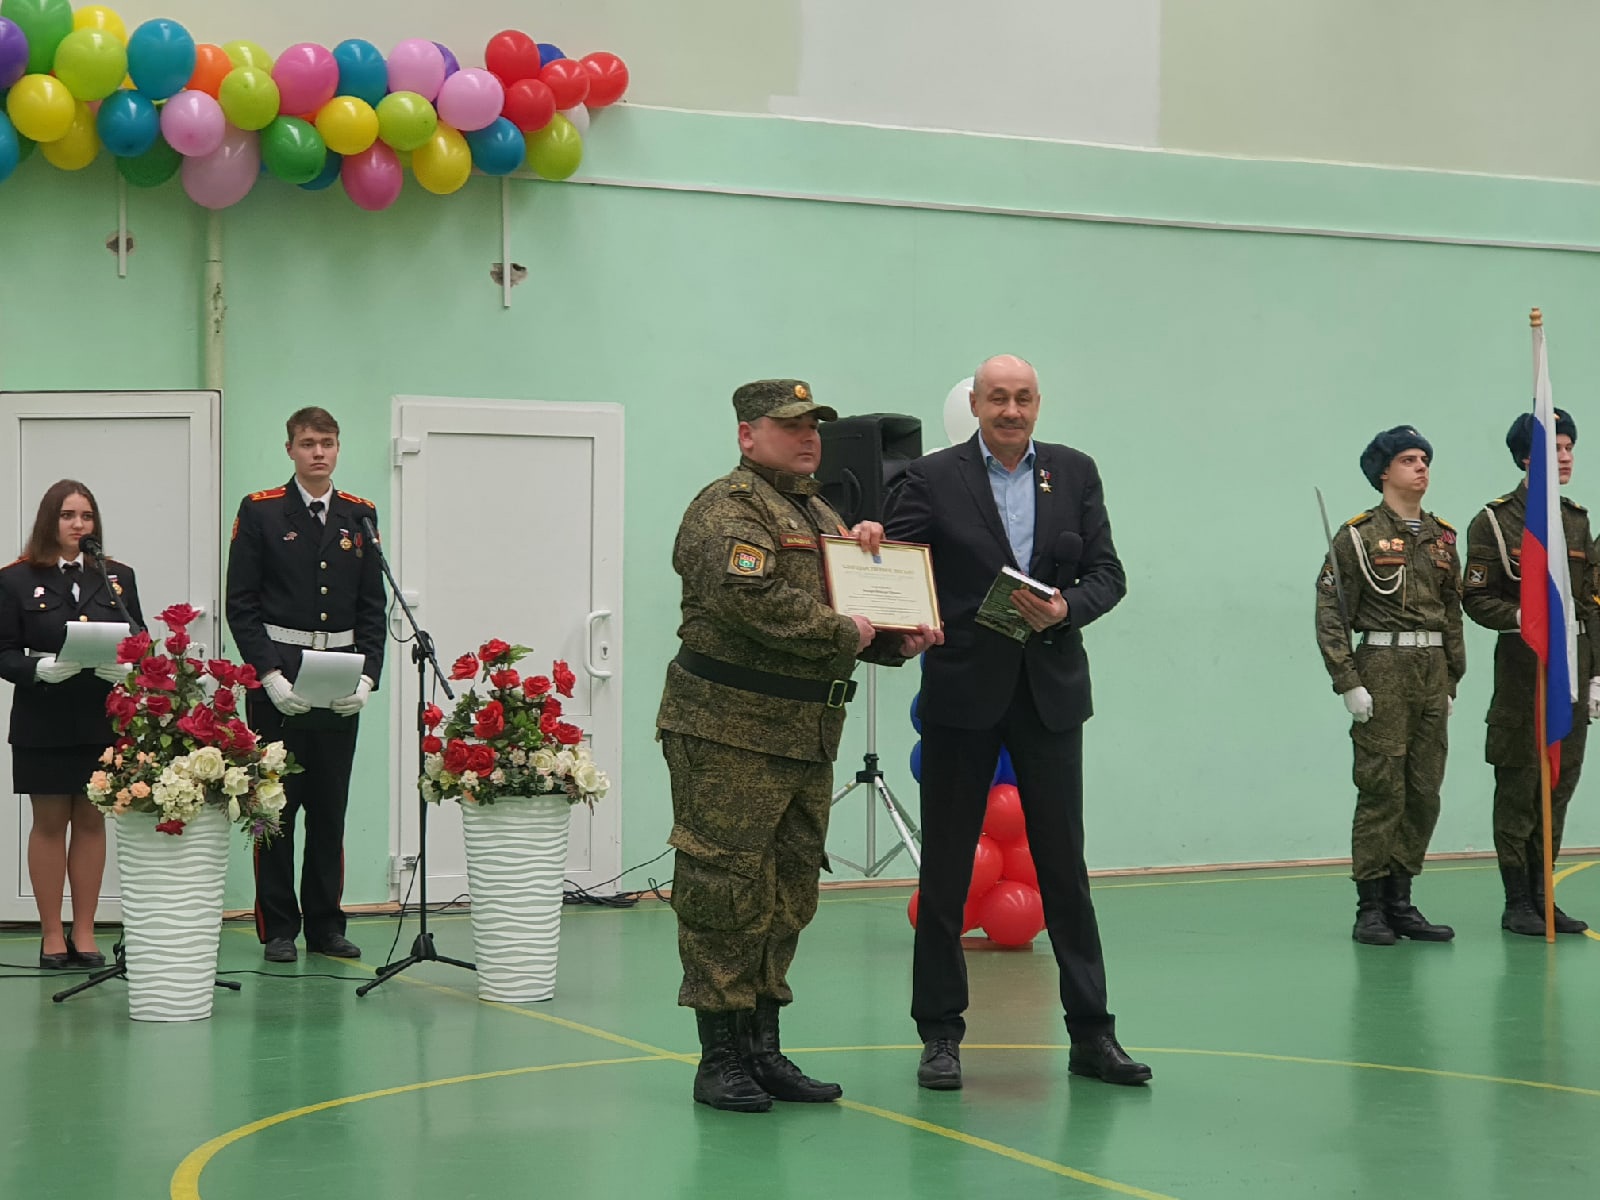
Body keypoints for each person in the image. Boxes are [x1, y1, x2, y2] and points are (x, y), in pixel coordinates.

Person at [657, 378, 942, 1113]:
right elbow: (749, 601)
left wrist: (897, 639)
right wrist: (846, 630)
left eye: (813, 425)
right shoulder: (726, 509)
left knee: (787, 893)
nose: (808, 436)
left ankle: (763, 1048)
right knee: (725, 890)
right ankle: (719, 1058)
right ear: (747, 435)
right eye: (789, 425)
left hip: (804, 732)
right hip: (728, 731)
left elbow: (848, 608)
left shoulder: (819, 512)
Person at [884, 353, 1149, 1090]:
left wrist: (1066, 608)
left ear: (1038, 404)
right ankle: (940, 1036)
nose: (1011, 410)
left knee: (1065, 872)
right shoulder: (932, 477)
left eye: (1023, 398)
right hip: (961, 697)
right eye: (997, 398)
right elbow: (898, 566)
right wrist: (877, 564)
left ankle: (1093, 1034)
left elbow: (1108, 575)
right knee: (945, 874)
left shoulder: (1074, 472)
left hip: (1050, 697)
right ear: (974, 404)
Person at [226, 407, 386, 963]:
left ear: (338, 448)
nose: (319, 452)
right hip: (280, 676)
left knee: (328, 807)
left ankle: (325, 925)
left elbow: (373, 607)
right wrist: (268, 675)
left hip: (339, 675)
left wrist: (368, 677)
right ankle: (277, 927)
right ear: (290, 449)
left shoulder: (359, 514)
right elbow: (241, 605)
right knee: (274, 809)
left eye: (328, 442)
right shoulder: (262, 510)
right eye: (308, 443)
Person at [1315, 425, 1465, 946]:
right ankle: (1371, 907)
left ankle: (1401, 901)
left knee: (1423, 791)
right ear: (1384, 471)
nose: (1421, 467)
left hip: (1431, 670)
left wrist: (1452, 677)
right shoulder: (1357, 536)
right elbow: (1331, 613)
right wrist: (1347, 680)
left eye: (1424, 459)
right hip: (1383, 665)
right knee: (1382, 788)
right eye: (1408, 459)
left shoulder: (1443, 537)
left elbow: (1451, 611)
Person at [1462, 410, 1599, 936]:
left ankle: (1545, 895)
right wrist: (1522, 616)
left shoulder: (1576, 520)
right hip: (1524, 673)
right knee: (1519, 786)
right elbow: (1476, 598)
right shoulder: (1495, 522)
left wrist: (1596, 673)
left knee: (1558, 786)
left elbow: (1590, 603)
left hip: (1571, 670)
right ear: (1527, 458)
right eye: (1555, 448)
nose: (1565, 457)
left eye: (1569, 448)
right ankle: (1517, 901)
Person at [0, 480, 143, 969]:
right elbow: (3, 651)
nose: (78, 524)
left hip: (101, 716)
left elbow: (138, 637)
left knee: (90, 821)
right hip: (43, 716)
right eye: (67, 515)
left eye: (86, 516)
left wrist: (129, 666)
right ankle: (50, 934)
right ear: (50, 521)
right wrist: (36, 668)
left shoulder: (116, 575)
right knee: (49, 823)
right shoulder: (17, 578)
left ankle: (84, 931)